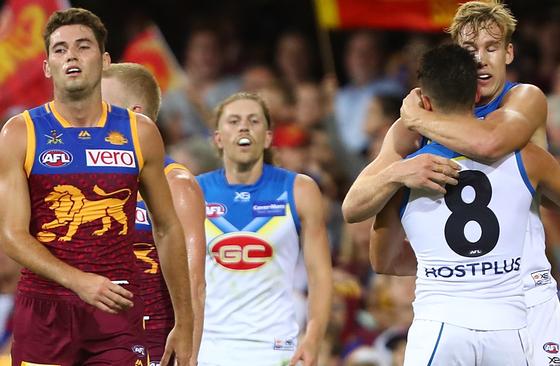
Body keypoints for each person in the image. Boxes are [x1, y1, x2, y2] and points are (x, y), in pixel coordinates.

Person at [342, 2, 560, 365]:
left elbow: (489, 144)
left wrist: (416, 117)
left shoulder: (523, 99)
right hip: (460, 302)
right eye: (469, 50)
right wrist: (398, 172)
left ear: (509, 52)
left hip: (528, 289)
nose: (480, 59)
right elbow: (354, 205)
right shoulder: (410, 127)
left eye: (491, 48)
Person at [0, 8, 193, 365]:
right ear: (47, 66)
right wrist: (79, 281)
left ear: (104, 61)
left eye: (83, 46)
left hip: (116, 310)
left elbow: (167, 229)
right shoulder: (19, 133)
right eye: (59, 50)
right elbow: (11, 235)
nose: (71, 55)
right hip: (44, 313)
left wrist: (185, 322)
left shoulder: (140, 132)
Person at [196, 92, 332, 366]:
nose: (244, 127)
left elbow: (320, 276)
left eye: (253, 120)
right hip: (209, 345)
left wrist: (314, 338)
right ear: (218, 138)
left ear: (268, 137)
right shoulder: (193, 191)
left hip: (277, 346)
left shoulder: (300, 190)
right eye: (233, 121)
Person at [102, 62, 206, 366]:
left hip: (153, 342)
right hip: (98, 338)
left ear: (137, 115)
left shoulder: (177, 185)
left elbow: (194, 283)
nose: (92, 116)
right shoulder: (97, 180)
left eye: (103, 106)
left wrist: (189, 353)